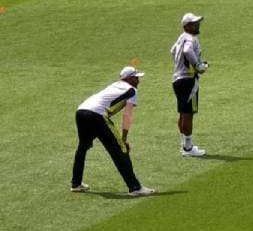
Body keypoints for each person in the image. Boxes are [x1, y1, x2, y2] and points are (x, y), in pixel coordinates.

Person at [71, 66, 156, 196]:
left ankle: (76, 183)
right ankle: (135, 187)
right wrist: (124, 140)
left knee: (83, 146)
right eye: (136, 78)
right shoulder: (131, 90)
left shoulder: (115, 85)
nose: (138, 81)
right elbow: (127, 116)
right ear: (130, 79)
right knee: (120, 149)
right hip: (96, 115)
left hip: (81, 111)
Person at [171, 12, 209, 157]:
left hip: (178, 79)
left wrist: (181, 65)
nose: (197, 25)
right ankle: (188, 148)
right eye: (194, 23)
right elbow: (187, 51)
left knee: (183, 113)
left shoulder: (182, 37)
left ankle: (185, 145)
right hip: (188, 80)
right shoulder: (191, 38)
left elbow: (173, 51)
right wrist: (197, 65)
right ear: (186, 26)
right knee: (188, 114)